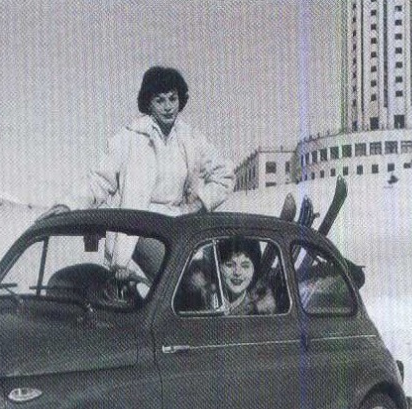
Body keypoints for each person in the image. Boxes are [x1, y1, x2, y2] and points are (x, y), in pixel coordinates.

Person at [41, 66, 234, 278]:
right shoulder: (128, 138)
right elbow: (98, 181)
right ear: (148, 103)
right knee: (184, 282)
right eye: (160, 100)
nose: (168, 107)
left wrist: (200, 203)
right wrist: (67, 204)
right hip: (138, 230)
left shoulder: (191, 139)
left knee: (197, 285)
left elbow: (225, 175)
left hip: (179, 227)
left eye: (172, 99)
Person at [217, 237, 276, 316]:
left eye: (245, 266)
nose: (237, 272)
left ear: (254, 270)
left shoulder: (261, 313)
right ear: (218, 267)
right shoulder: (205, 303)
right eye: (230, 265)